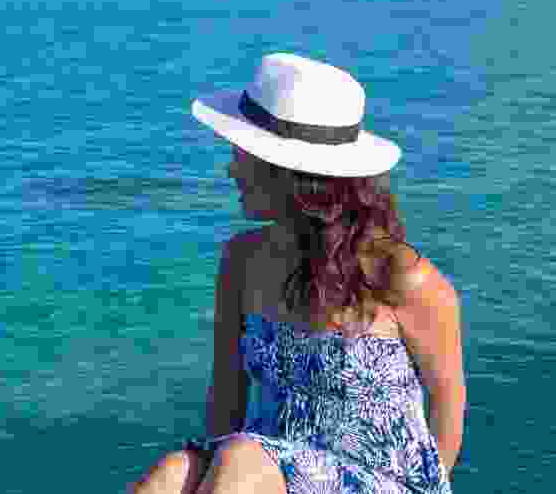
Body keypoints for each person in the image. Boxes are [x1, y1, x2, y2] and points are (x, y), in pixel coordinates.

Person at [129, 53, 466, 494]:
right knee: (172, 473)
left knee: (242, 460)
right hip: (261, 466)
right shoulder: (241, 260)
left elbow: (447, 402)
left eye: (243, 154)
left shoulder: (401, 276)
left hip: (376, 480)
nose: (231, 168)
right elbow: (226, 395)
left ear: (290, 176)